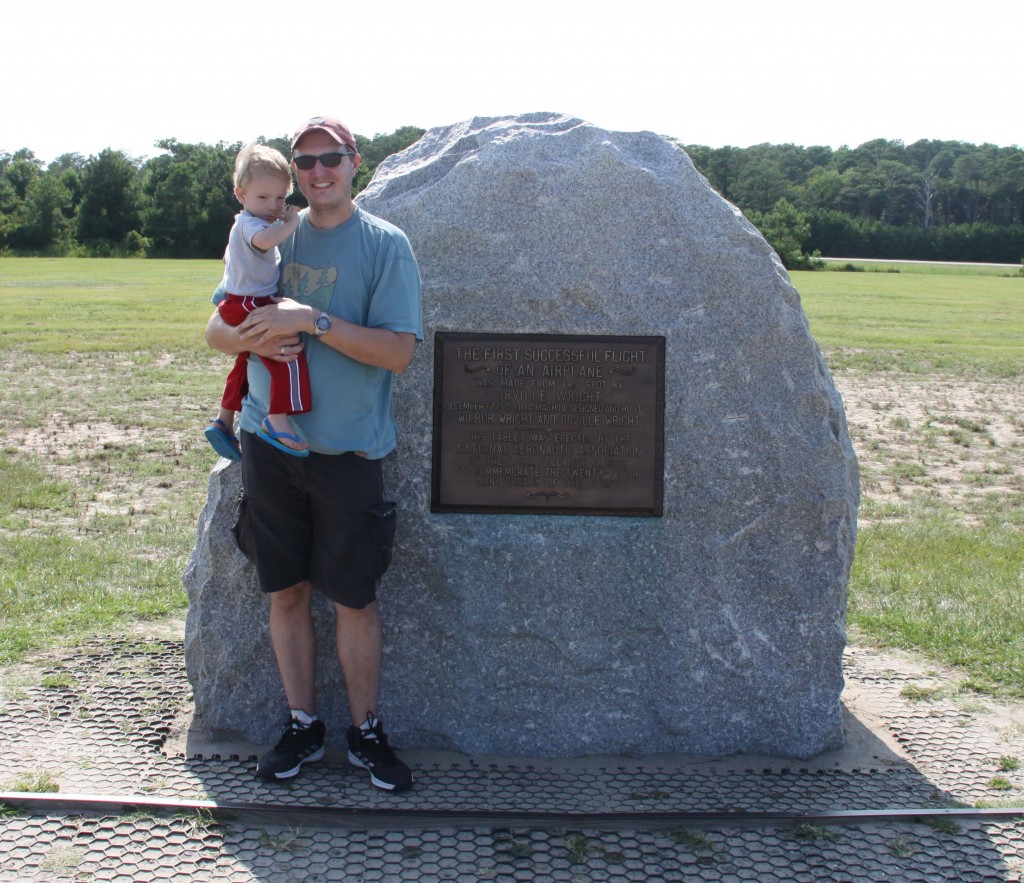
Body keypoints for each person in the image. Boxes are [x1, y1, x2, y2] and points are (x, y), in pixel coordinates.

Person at [205, 115, 423, 792]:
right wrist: (256, 340)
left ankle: (366, 731)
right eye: (306, 161)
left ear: (355, 162)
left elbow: (398, 352)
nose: (318, 170)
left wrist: (313, 322)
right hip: (269, 447)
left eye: (331, 158)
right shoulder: (264, 235)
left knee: (354, 596)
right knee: (286, 588)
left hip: (348, 453)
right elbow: (216, 329)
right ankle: (302, 723)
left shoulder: (385, 245)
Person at [205, 143, 309, 461]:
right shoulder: (250, 224)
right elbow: (265, 241)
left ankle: (223, 420)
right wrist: (291, 223)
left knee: (244, 361)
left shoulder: (252, 222)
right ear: (241, 194)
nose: (273, 205)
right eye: (263, 197)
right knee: (286, 349)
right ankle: (277, 419)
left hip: (241, 301)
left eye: (280, 198)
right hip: (249, 301)